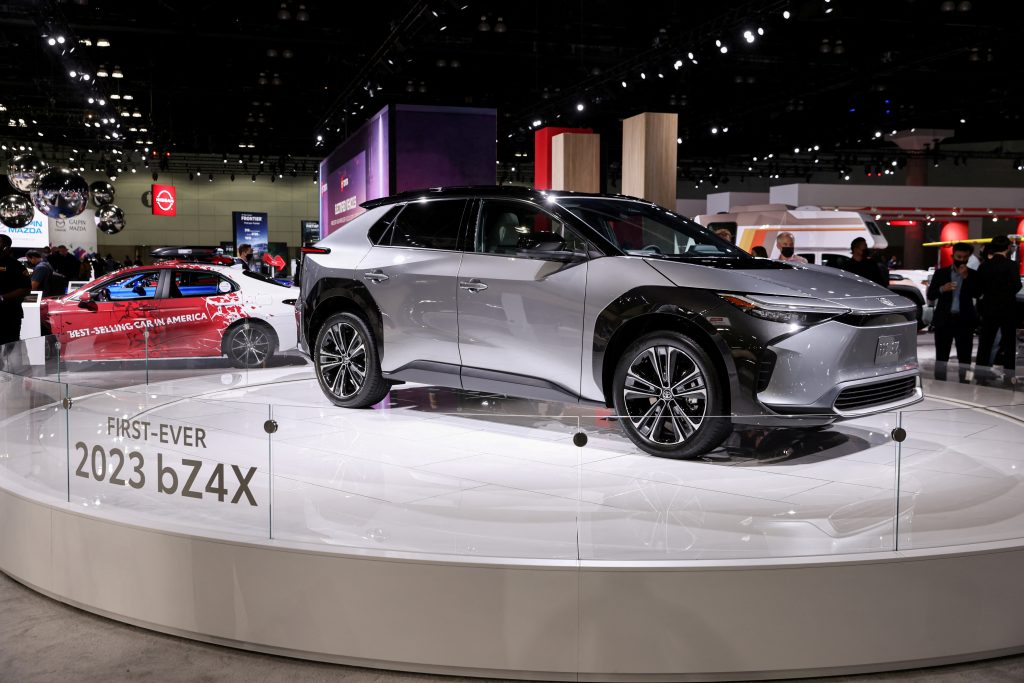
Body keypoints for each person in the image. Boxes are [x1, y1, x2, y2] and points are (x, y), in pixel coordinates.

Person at [927, 243, 979, 381]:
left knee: (965, 357)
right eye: (958, 257)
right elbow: (931, 295)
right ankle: (939, 381)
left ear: (968, 258)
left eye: (965, 257)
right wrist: (942, 289)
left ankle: (966, 381)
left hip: (965, 320)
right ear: (952, 256)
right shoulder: (941, 273)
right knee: (941, 355)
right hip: (944, 320)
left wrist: (967, 277)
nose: (961, 260)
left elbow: (978, 293)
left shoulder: (973, 275)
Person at [974, 235, 1022, 376]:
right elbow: (1017, 286)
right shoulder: (1012, 265)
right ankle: (1009, 377)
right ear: (1008, 248)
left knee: (985, 343)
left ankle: (980, 375)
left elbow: (978, 290)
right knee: (1009, 345)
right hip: (1008, 308)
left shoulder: (984, 266)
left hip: (988, 308)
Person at [0, 234, 32, 346]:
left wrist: (3, 298)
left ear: (6, 248)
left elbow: (26, 289)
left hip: (9, 315)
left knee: (9, 347)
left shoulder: (17, 266)